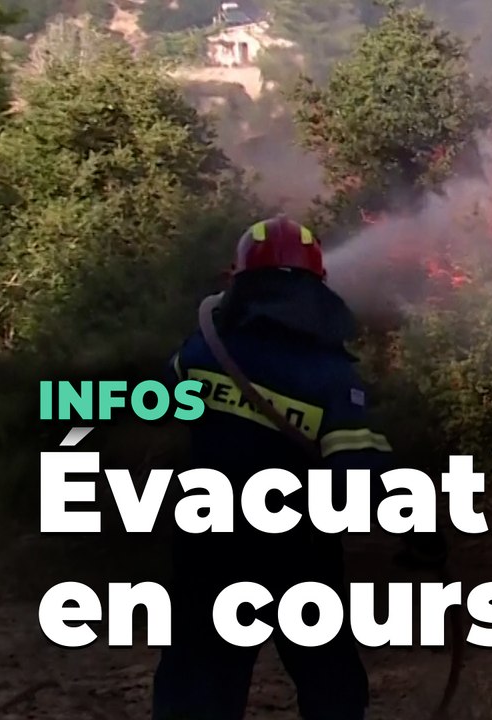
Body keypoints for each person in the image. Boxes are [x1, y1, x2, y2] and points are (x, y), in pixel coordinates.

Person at [153, 215, 446, 720]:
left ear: (238, 280)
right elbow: (363, 472)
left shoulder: (202, 352)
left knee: (199, 682)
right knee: (329, 683)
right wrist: (420, 530)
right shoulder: (331, 376)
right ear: (319, 285)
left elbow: (160, 407)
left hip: (208, 545)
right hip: (298, 552)